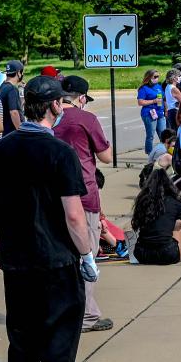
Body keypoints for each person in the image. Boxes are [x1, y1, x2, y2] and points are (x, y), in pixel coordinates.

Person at [0, 74, 98, 362]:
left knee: (22, 338)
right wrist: (87, 255)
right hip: (57, 260)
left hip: (17, 260)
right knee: (60, 337)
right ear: (56, 105)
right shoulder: (60, 152)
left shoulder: (3, 149)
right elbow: (74, 215)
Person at [53, 75, 115, 332]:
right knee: (85, 255)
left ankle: (59, 309)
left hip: (51, 196)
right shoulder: (85, 119)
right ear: (81, 98)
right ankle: (87, 315)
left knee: (60, 257)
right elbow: (106, 156)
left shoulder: (48, 119)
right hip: (83, 194)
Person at [130, 167, 181, 266]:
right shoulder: (172, 202)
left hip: (142, 254)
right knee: (179, 224)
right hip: (167, 254)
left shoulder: (143, 201)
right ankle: (179, 259)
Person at [136, 69, 164, 157]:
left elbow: (163, 98)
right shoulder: (144, 88)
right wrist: (153, 101)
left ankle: (164, 153)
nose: (157, 78)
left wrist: (166, 109)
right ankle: (150, 153)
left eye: (158, 76)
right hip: (149, 113)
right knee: (150, 135)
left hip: (160, 112)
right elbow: (140, 102)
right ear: (149, 77)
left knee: (164, 134)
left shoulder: (159, 86)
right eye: (155, 77)